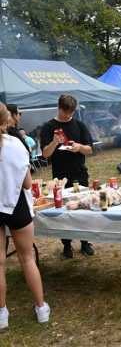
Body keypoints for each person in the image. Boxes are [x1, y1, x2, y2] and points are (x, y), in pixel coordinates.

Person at [0, 103, 50, 330]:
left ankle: (2, 314)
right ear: (6, 120)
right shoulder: (17, 144)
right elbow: (28, 183)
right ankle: (41, 309)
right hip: (17, 204)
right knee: (27, 258)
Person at [40, 95, 94, 259]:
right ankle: (66, 245)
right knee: (63, 211)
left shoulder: (79, 125)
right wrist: (55, 142)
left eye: (71, 112)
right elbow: (45, 154)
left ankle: (85, 242)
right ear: (59, 107)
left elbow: (90, 149)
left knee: (83, 208)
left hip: (79, 173)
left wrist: (79, 147)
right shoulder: (48, 127)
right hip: (60, 177)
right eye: (65, 112)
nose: (68, 116)